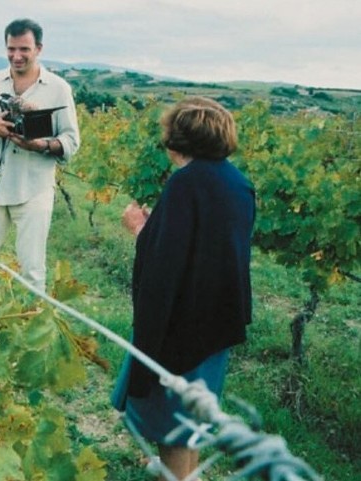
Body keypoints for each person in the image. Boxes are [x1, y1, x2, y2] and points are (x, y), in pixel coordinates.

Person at [111, 97, 255, 481]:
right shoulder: (237, 182)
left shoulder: (184, 184)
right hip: (217, 320)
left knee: (172, 424)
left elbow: (166, 263)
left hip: (181, 327)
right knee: (193, 415)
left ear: (178, 141)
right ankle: (187, 476)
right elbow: (206, 246)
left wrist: (141, 229)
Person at [0, 18, 80, 291]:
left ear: (38, 48)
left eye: (24, 49)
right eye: (11, 49)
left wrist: (40, 145)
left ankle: (30, 327)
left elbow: (71, 142)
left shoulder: (58, 88)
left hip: (34, 188)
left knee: (32, 270)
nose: (17, 56)